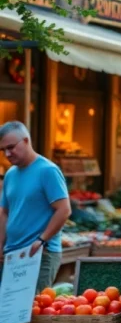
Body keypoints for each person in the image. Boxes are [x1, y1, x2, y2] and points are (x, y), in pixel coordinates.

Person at [0, 121, 71, 292]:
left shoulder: (47, 171)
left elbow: (64, 209)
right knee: (8, 314)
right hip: (12, 255)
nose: (7, 154)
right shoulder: (10, 174)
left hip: (40, 254)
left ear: (26, 141)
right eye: (3, 150)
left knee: (33, 312)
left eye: (11, 147)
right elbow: (4, 212)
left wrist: (42, 239)